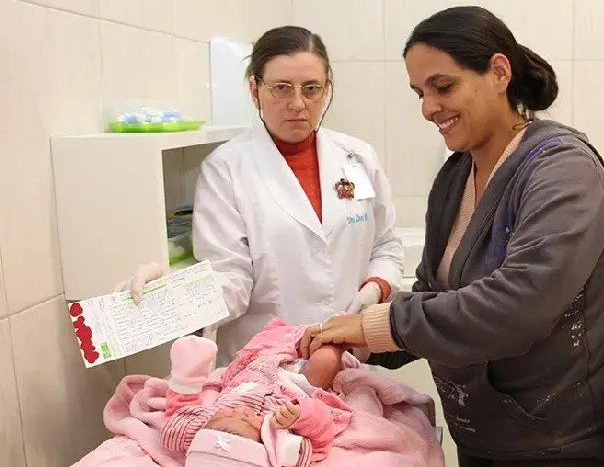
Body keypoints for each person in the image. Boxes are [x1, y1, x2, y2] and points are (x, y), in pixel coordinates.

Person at [304, 5, 604, 467]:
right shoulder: (457, 175)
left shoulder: (562, 169)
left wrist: (377, 325)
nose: (428, 108)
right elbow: (436, 292)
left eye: (443, 87)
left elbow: (518, 304)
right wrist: (361, 345)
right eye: (419, 93)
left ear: (499, 72)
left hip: (557, 432)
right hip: (483, 418)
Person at [116, 26, 403, 364]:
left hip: (348, 356)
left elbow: (386, 245)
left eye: (311, 88)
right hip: (264, 367)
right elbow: (230, 277)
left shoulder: (357, 157)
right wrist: (167, 298)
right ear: (255, 90)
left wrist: (377, 287)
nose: (298, 103)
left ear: (326, 90)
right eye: (282, 88)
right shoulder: (226, 169)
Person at [162, 322, 356, 467]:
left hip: (250, 375)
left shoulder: (198, 434)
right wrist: (301, 415)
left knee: (266, 340)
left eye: (226, 415)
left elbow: (178, 411)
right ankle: (339, 337)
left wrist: (187, 378)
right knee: (327, 358)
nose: (239, 410)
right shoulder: (282, 452)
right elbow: (322, 437)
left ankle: (300, 332)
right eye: (247, 420)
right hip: (296, 387)